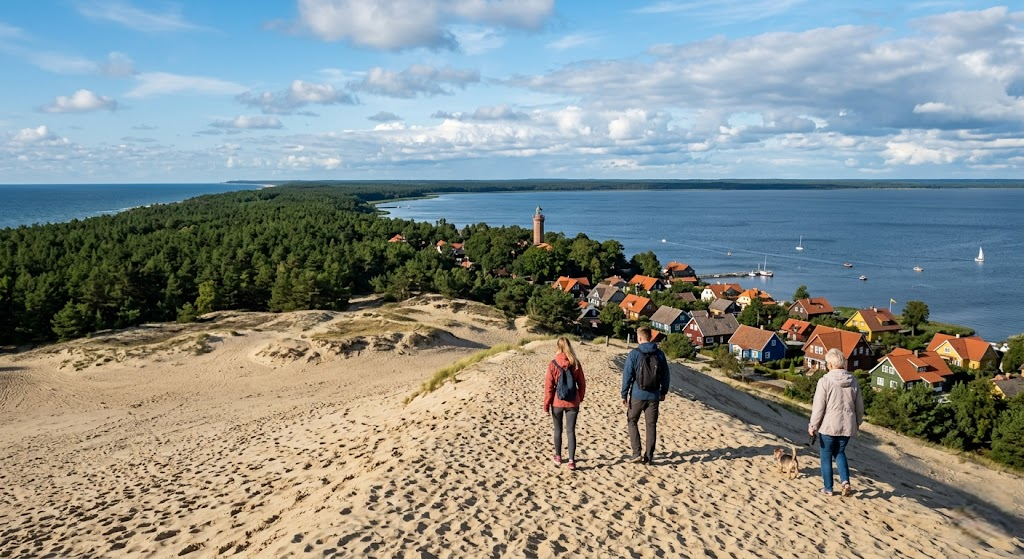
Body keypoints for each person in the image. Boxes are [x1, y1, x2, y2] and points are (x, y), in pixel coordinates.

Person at [808, 348, 865, 497]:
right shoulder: (853, 380)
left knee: (826, 456)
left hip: (828, 426)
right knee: (839, 452)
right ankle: (845, 482)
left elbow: (819, 406)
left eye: (827, 363)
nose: (827, 366)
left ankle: (828, 488)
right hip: (847, 425)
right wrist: (857, 423)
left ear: (832, 364)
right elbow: (859, 406)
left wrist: (813, 425)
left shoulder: (825, 381)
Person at [621, 326, 671, 464]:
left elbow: (627, 375)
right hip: (654, 396)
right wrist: (663, 391)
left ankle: (636, 452)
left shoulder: (634, 354)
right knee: (651, 425)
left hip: (637, 394)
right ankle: (649, 457)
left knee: (632, 421)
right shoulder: (660, 354)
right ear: (651, 337)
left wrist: (624, 394)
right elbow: (666, 375)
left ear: (640, 338)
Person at [543, 337, 587, 470]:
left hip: (557, 402)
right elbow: (582, 384)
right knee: (570, 431)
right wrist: (580, 397)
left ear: (558, 347)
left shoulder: (553, 364)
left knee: (557, 430)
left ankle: (557, 456)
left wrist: (546, 404)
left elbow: (549, 387)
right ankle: (571, 460)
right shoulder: (576, 363)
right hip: (573, 402)